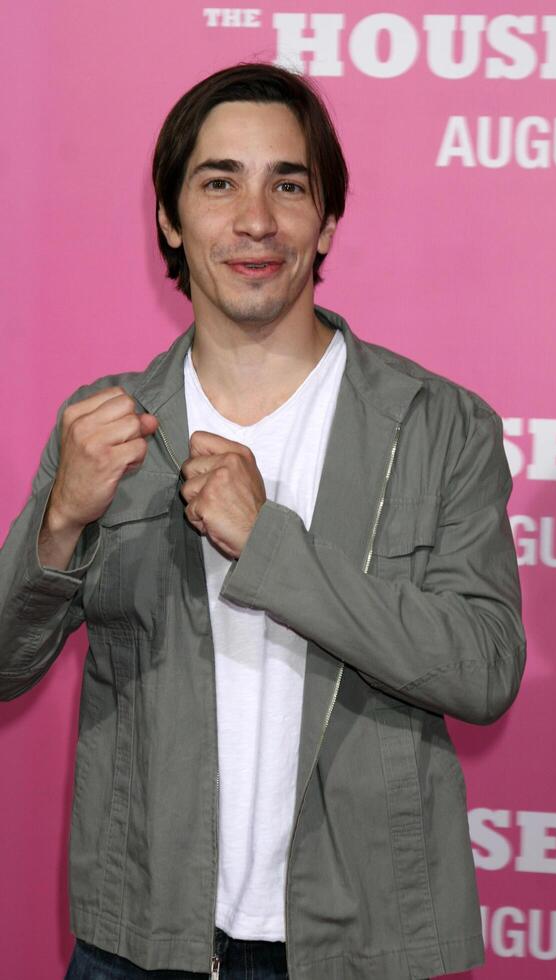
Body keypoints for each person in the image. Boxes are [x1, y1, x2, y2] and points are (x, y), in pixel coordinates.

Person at [0, 63, 526, 980]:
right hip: (137, 941)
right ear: (170, 217)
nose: (255, 220)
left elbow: (483, 667)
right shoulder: (103, 424)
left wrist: (268, 542)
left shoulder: (440, 423)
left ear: (326, 221)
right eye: (218, 182)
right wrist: (58, 525)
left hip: (362, 947)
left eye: (288, 184)